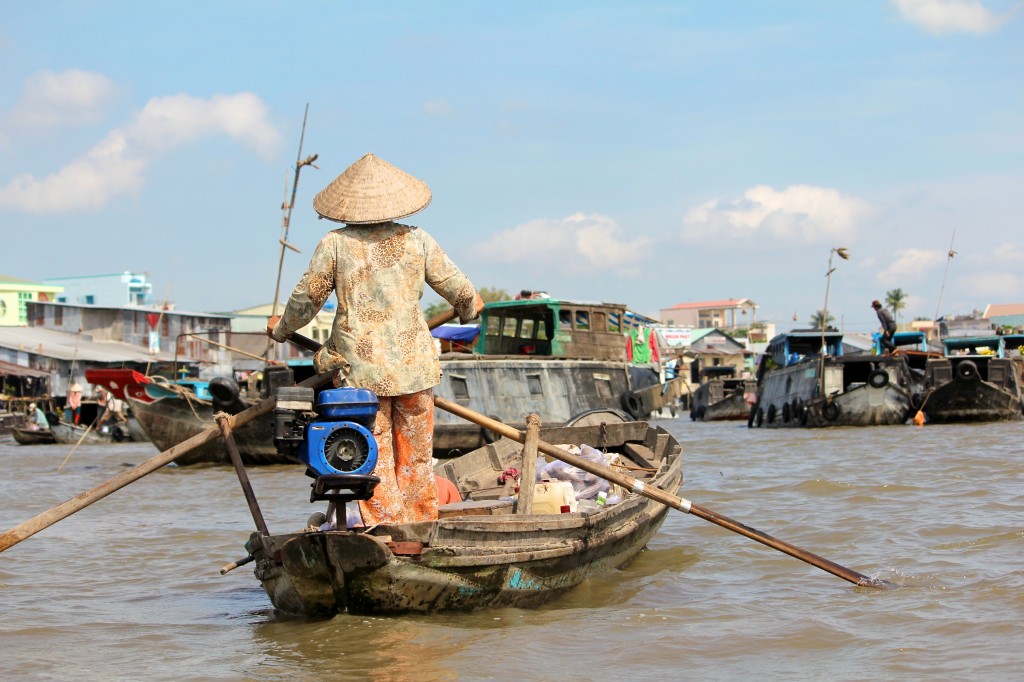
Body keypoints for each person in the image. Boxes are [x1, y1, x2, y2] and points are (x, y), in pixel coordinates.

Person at [268, 152, 482, 526]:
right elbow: (460, 290)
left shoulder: (335, 244)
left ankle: (386, 529)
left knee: (374, 454)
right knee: (416, 455)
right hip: (414, 368)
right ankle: (420, 527)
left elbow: (308, 298)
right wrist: (470, 309)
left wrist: (282, 329)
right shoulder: (418, 241)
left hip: (360, 374)